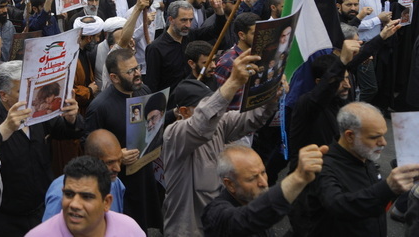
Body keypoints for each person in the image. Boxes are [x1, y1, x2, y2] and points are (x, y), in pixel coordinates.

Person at [162, 50, 280, 236]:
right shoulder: (174, 135)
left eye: (213, 103)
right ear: (184, 112)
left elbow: (251, 118)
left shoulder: (220, 124)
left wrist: (271, 97)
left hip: (221, 222)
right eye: (204, 106)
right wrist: (233, 82)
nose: (214, 111)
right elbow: (201, 122)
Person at [0, 60, 84, 236]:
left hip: (43, 208)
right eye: (21, 91)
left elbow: (66, 131)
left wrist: (71, 118)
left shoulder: (36, 111)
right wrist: (4, 130)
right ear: (3, 95)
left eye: (30, 87)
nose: (30, 94)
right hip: (8, 216)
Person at [309, 102, 419, 236]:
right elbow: (338, 205)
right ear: (350, 136)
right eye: (374, 137)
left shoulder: (364, 155)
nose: (383, 143)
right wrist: (387, 187)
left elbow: (374, 202)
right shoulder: (322, 167)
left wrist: (399, 186)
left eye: (383, 135)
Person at [85, 48, 161, 231]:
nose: (137, 74)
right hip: (121, 184)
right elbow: (88, 148)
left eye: (137, 68)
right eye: (130, 71)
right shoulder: (99, 107)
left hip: (146, 175)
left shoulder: (144, 90)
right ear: (114, 77)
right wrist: (117, 156)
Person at [202, 144, 327, 237]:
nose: (263, 182)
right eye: (252, 178)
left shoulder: (250, 198)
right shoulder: (215, 214)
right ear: (230, 184)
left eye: (263, 172)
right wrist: (297, 178)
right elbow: (248, 219)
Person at [26, 156, 145, 237]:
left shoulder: (130, 230)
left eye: (86, 197)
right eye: (69, 194)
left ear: (107, 202)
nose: (74, 204)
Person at [43, 129, 126, 221]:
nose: (118, 168)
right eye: (110, 162)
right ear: (91, 159)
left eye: (120, 160)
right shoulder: (60, 193)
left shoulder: (115, 182)